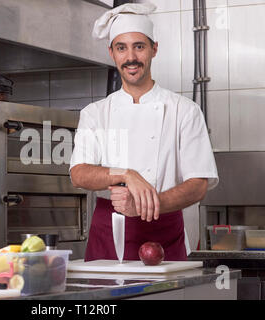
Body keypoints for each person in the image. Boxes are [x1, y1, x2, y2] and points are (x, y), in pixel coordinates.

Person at [69, 3, 219, 262]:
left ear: (154, 49)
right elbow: (79, 173)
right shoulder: (95, 113)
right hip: (108, 230)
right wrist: (127, 174)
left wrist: (147, 204)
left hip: (164, 231)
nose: (131, 57)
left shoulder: (184, 110)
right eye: (121, 48)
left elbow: (198, 185)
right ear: (111, 53)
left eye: (139, 46)